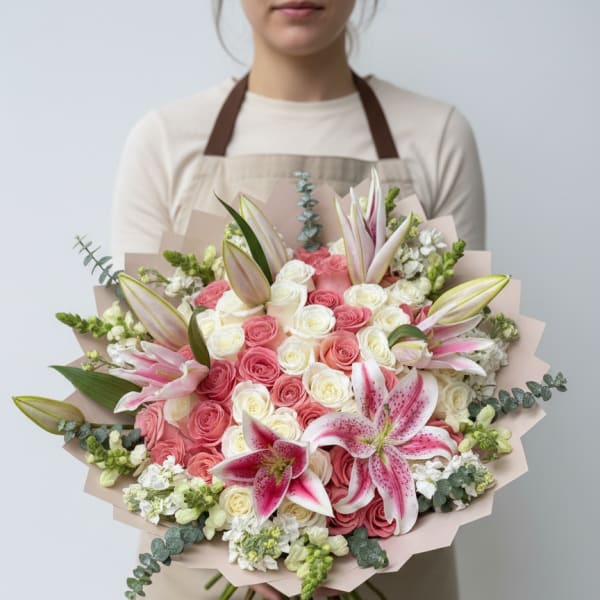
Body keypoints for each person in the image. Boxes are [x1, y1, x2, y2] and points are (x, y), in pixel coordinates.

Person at [111, 1, 485, 598]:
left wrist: (351, 553)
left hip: (394, 560)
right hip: (201, 564)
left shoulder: (435, 134)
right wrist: (247, 548)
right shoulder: (165, 141)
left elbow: (465, 357)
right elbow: (138, 363)